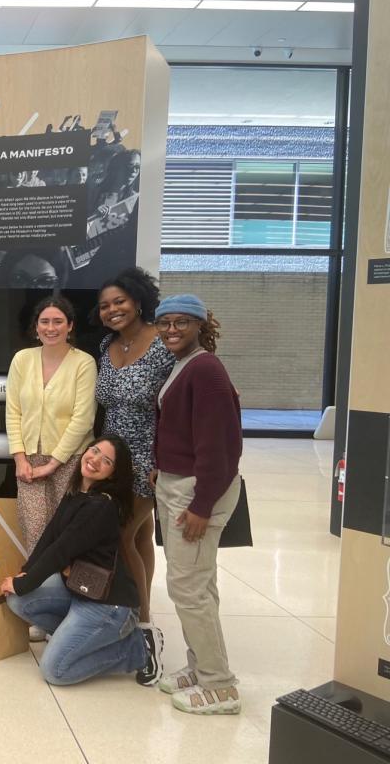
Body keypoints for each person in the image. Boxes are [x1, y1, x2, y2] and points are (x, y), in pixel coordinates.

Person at [1, 436, 161, 686]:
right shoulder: (78, 490)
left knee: (55, 671)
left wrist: (24, 583)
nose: (95, 460)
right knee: (18, 601)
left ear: (112, 473)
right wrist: (25, 573)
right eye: (94, 450)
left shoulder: (101, 505)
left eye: (106, 460)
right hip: (78, 589)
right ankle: (78, 638)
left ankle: (137, 649)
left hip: (109, 605)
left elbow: (60, 551)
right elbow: (51, 535)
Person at [153, 294, 243, 715]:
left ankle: (219, 686)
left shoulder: (205, 368)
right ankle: (202, 666)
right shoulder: (186, 365)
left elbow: (219, 445)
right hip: (179, 484)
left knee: (187, 588)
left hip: (197, 491)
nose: (171, 330)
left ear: (201, 324)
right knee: (198, 584)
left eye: (182, 323)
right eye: (165, 323)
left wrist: (202, 504)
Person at [93, 267, 174, 684]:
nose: (112, 310)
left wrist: (166, 460)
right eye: (105, 305)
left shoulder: (163, 343)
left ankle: (143, 630)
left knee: (122, 535)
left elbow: (176, 408)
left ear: (139, 300)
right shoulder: (107, 345)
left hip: (147, 460)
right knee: (140, 537)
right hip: (111, 458)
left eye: (120, 301)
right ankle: (142, 611)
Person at [6, 296, 97, 553]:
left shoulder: (84, 363)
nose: (51, 327)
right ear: (36, 327)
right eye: (44, 321)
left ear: (70, 326)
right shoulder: (22, 359)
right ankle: (40, 590)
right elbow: (13, 411)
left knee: (69, 531)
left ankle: (68, 590)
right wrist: (20, 459)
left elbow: (83, 418)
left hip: (71, 461)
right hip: (29, 462)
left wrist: (54, 463)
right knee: (35, 531)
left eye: (58, 321)